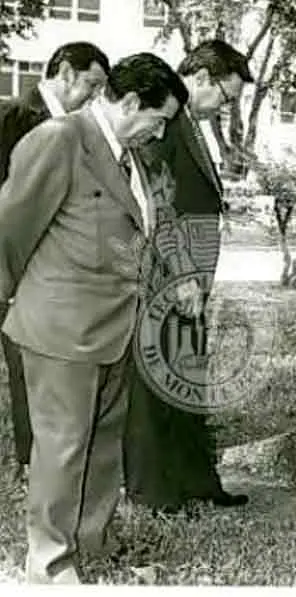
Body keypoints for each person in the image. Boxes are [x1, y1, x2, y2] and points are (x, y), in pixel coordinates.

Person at [0, 52, 188, 584]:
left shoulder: (129, 156)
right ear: (130, 102)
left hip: (114, 328)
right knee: (62, 449)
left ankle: (92, 546)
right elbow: (9, 230)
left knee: (102, 447)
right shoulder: (59, 139)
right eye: (157, 119)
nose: (158, 132)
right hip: (60, 330)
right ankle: (50, 564)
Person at [124, 39, 253, 514]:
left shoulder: (188, 126)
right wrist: (180, 276)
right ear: (200, 77)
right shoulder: (164, 124)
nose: (225, 107)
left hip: (190, 284)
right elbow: (159, 205)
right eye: (225, 96)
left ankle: (197, 480)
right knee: (157, 389)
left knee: (186, 385)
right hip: (167, 279)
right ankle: (156, 493)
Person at [0, 41, 110, 481]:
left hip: (43, 271)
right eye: (91, 84)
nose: (95, 97)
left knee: (29, 368)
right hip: (11, 264)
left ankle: (31, 461)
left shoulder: (79, 130)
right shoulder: (12, 118)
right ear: (65, 72)